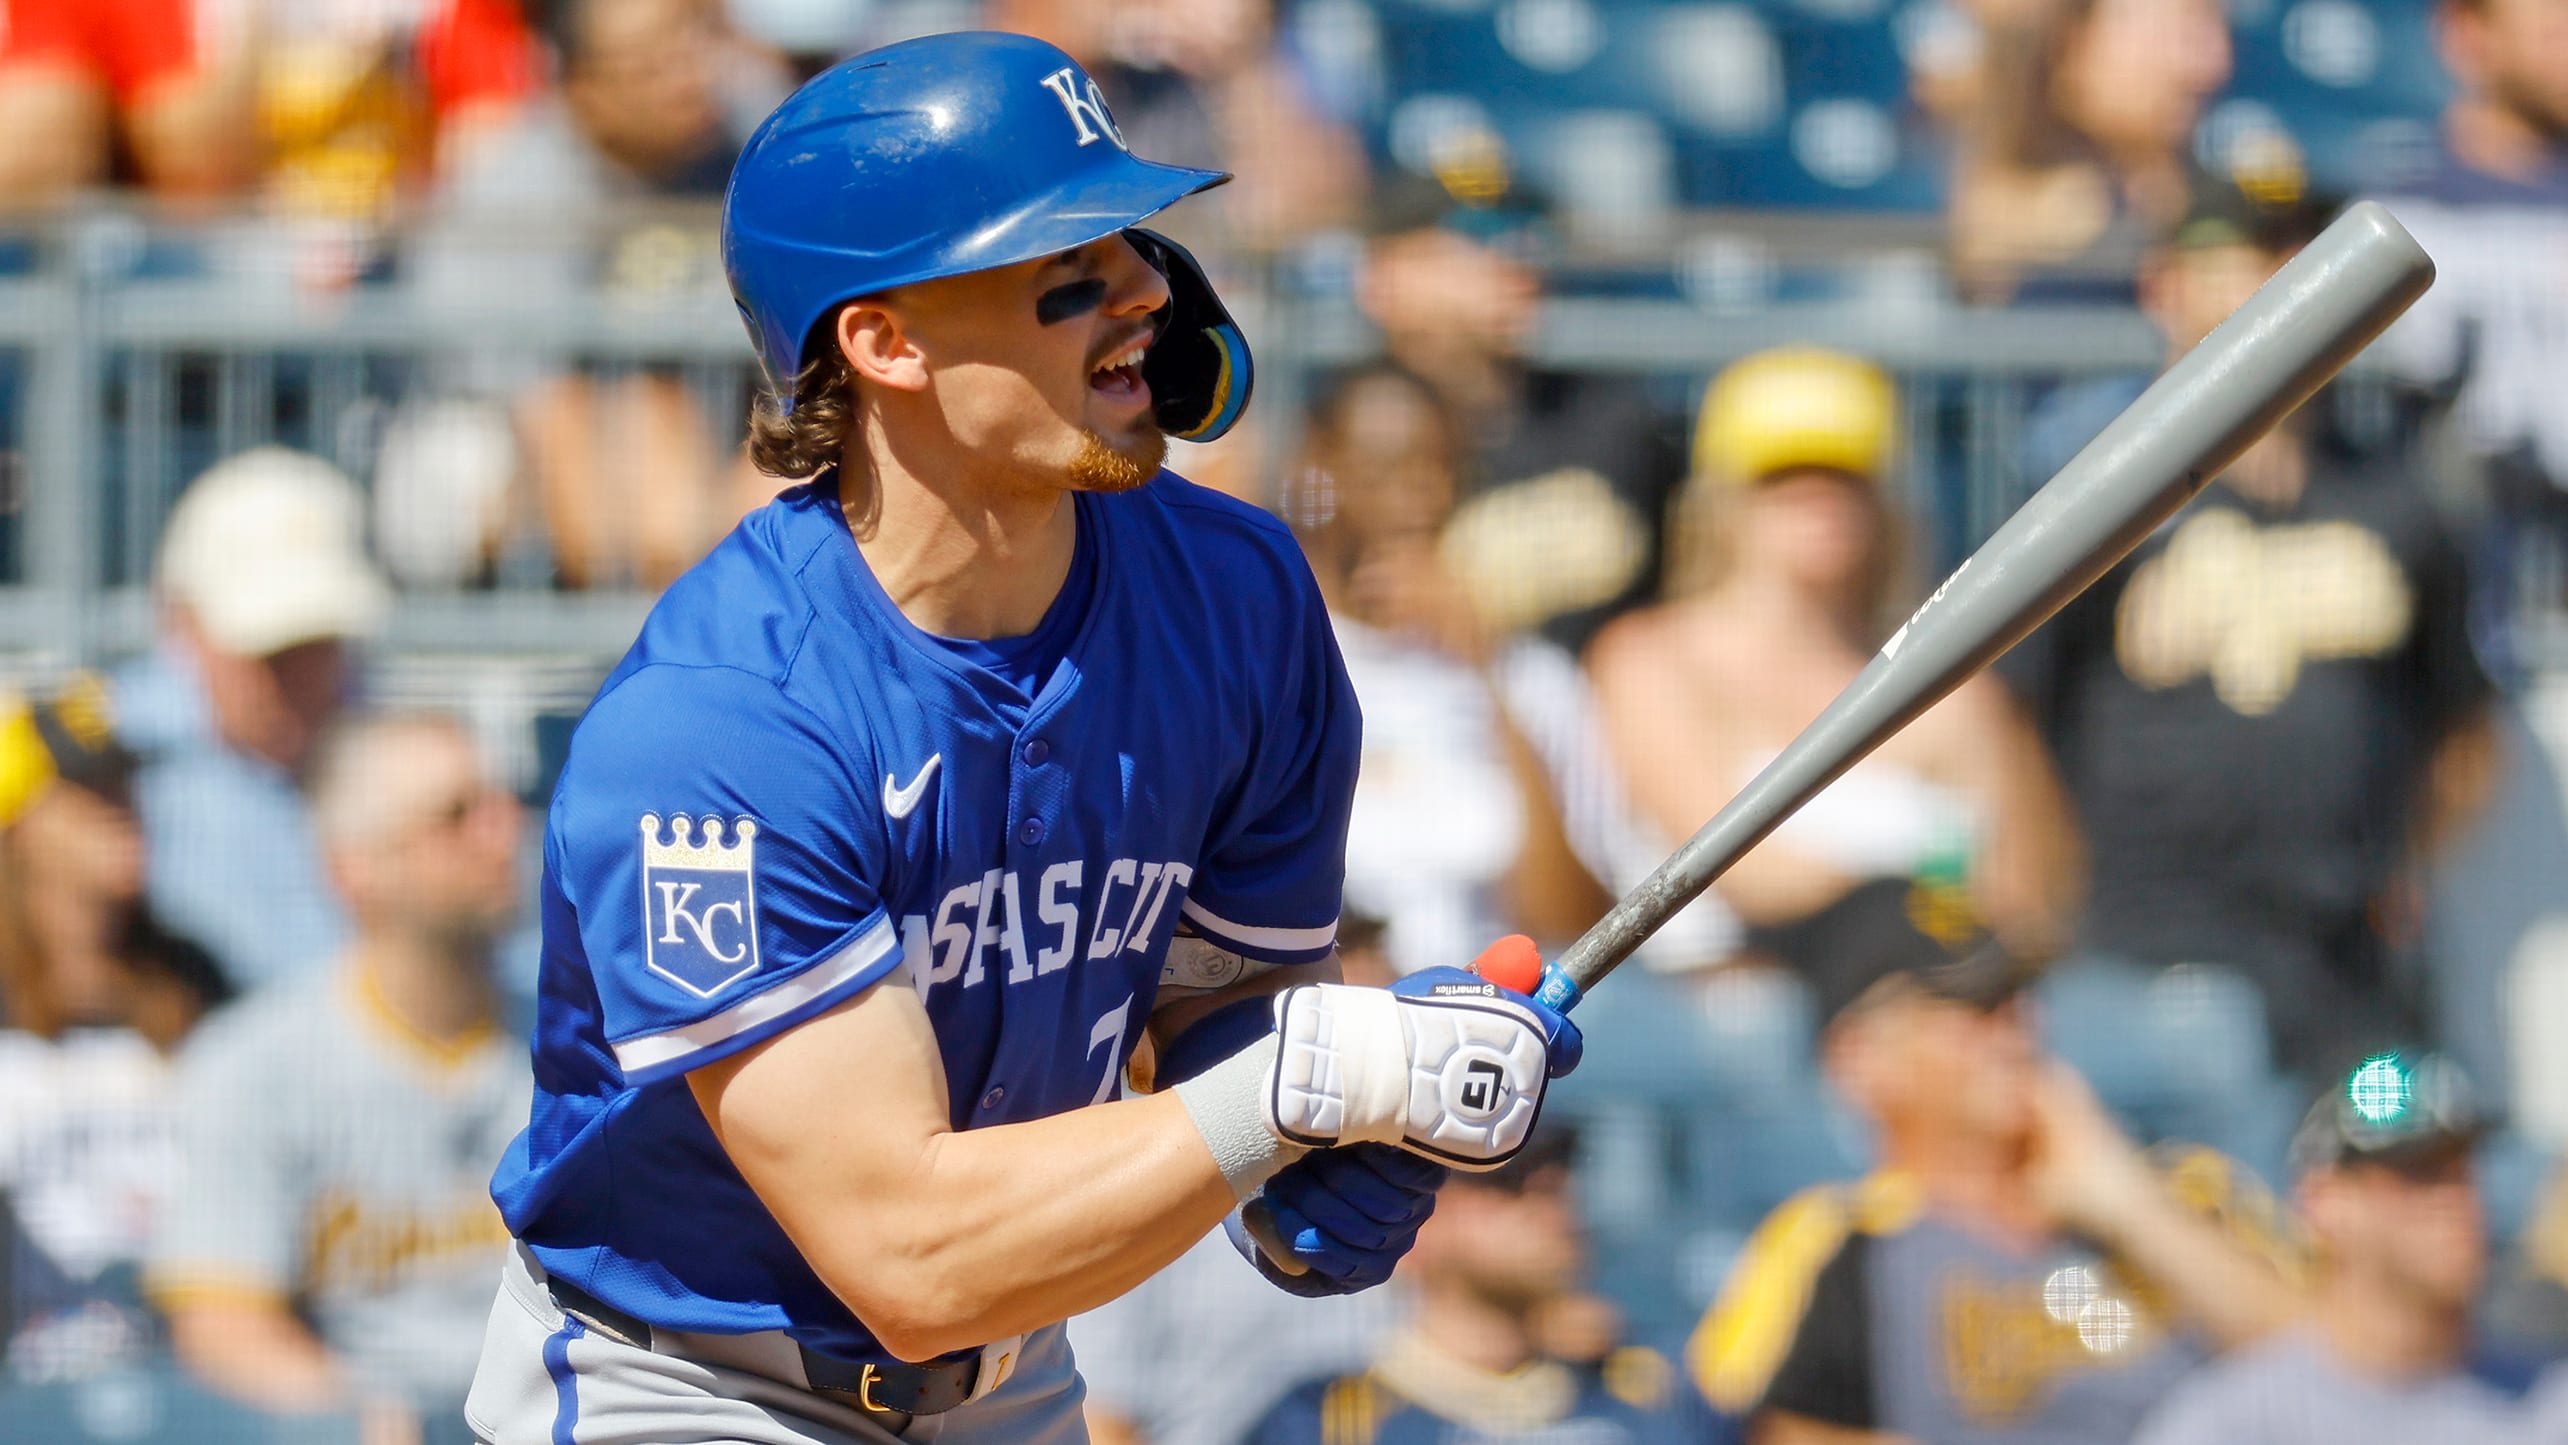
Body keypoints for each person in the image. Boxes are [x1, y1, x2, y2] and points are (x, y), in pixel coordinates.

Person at [467, 32, 1579, 1445]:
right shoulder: (725, 718)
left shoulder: (1237, 596)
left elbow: (1217, 1004)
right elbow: (909, 1258)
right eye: (1063, 256)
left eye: (1131, 236)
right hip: (690, 1379)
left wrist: (1335, 1135)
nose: (1141, 288)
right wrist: (1306, 1085)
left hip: (1018, 1375)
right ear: (884, 339)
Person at [2003, 185, 2499, 1179]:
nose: (2262, 289)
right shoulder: (2102, 496)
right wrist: (2045, 907)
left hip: (2340, 961)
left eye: (2290, 260)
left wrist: (2409, 862)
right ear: (2163, 287)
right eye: (2230, 260)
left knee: (2405, 1174)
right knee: (2191, 1202)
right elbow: (2012, 719)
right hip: (2150, 956)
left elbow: (2466, 720)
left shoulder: (2398, 497)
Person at [1692, 879, 2302, 1444]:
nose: (2015, 1029)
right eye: (1972, 1007)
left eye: (2018, 996)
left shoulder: (2187, 1190)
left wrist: (2132, 1209)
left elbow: (2347, 1378)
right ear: (1860, 1057)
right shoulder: (1834, 1245)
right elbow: (1728, 1426)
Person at [1589, 346, 2079, 962]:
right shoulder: (1649, 661)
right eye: (1784, 477)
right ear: (1724, 502)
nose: (1820, 501)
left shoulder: (1954, 690)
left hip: (1926, 1018)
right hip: (1722, 1019)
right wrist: (1927, 908)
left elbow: (2030, 900)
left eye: (1846, 475)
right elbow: (1740, 878)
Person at [147, 713, 531, 1432]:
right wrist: (355, 1414)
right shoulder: (254, 1063)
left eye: (502, 803)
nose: (503, 831)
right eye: (457, 815)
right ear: (355, 867)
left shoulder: (584, 1046)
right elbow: (222, 1320)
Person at [1284, 362, 1607, 975]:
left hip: (1491, 1022)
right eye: (1386, 472)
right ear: (1316, 471)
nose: (1420, 500)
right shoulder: (1273, 659)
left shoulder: (1530, 675)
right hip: (1321, 1015)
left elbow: (1571, 920)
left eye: (1440, 471)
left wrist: (1488, 673)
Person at [1070, 915, 1410, 1445]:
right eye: (1338, 1025)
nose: (1362, 1063)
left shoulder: (1405, 1184)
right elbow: (1101, 1424)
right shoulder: (1137, 1170)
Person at [1358, 158, 1690, 658]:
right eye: (1478, 232)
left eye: (1530, 232)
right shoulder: (1333, 441)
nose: (1519, 255)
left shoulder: (1618, 423)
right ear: (1387, 274)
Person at [0, 676, 228, 1377]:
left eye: (124, 784)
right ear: (19, 822)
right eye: (91, 790)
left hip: (187, 1367)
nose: (123, 808)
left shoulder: (194, 976)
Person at [2134, 1054, 2536, 1444]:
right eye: (2420, 1171)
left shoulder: (2546, 1406)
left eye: (2464, 1170)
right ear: (2324, 1200)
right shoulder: (2234, 1425)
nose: (2455, 1198)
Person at [1246, 1123, 1729, 1445]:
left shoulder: (1656, 1387)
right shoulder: (1325, 1423)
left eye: (1558, 1174)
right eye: (1507, 1179)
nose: (1552, 1192)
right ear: (1409, 1220)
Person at [114, 446, 393, 994]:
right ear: (182, 625)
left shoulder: (397, 758)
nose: (302, 676)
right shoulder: (99, 771)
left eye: (322, 644)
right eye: (270, 651)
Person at [1939, 0, 2235, 303]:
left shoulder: (2213, 195)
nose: (2212, 65)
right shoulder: (2012, 213)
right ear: (2074, 42)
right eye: (2182, 35)